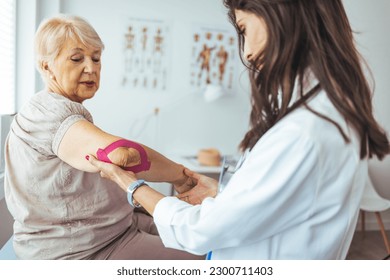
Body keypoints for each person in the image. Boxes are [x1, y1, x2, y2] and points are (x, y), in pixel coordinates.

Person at [87, 0, 390, 260]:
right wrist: (223, 194)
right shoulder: (326, 114)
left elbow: (199, 230)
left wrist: (133, 187)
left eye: (244, 29)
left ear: (278, 14)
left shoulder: (303, 133)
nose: (246, 54)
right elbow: (282, 202)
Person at [4, 14, 203, 260]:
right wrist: (181, 177)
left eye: (96, 58)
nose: (91, 67)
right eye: (77, 59)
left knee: (200, 237)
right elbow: (120, 155)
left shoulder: (61, 107)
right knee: (204, 256)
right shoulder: (48, 113)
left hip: (113, 227)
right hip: (81, 249)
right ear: (47, 66)